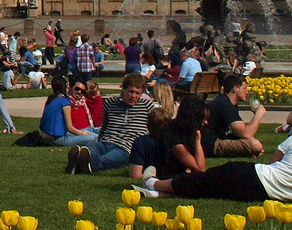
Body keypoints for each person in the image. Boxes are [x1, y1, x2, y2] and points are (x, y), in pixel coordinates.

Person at [142, 130, 292, 203]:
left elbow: (274, 162)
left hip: (256, 176)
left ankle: (154, 183)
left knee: (204, 181)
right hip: (260, 193)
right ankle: (157, 193)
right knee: (210, 189)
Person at [67, 73, 154, 175]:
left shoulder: (146, 106)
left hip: (125, 147)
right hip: (105, 142)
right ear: (124, 89)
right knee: (90, 149)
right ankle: (81, 162)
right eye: (131, 92)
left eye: (137, 93)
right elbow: (104, 126)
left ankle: (79, 165)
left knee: (107, 159)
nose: (134, 96)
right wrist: (100, 139)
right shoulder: (110, 103)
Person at [202, 73, 267, 157]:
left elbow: (240, 133)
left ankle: (247, 151)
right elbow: (245, 133)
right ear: (236, 89)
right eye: (245, 88)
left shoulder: (227, 102)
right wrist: (258, 115)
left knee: (253, 142)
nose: (247, 92)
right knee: (255, 145)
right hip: (212, 144)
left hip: (220, 138)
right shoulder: (225, 105)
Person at [38, 77, 93, 146]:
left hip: (47, 135)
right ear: (66, 86)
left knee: (91, 131)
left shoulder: (51, 99)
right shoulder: (64, 102)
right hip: (59, 138)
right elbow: (70, 128)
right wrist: (83, 133)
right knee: (94, 137)